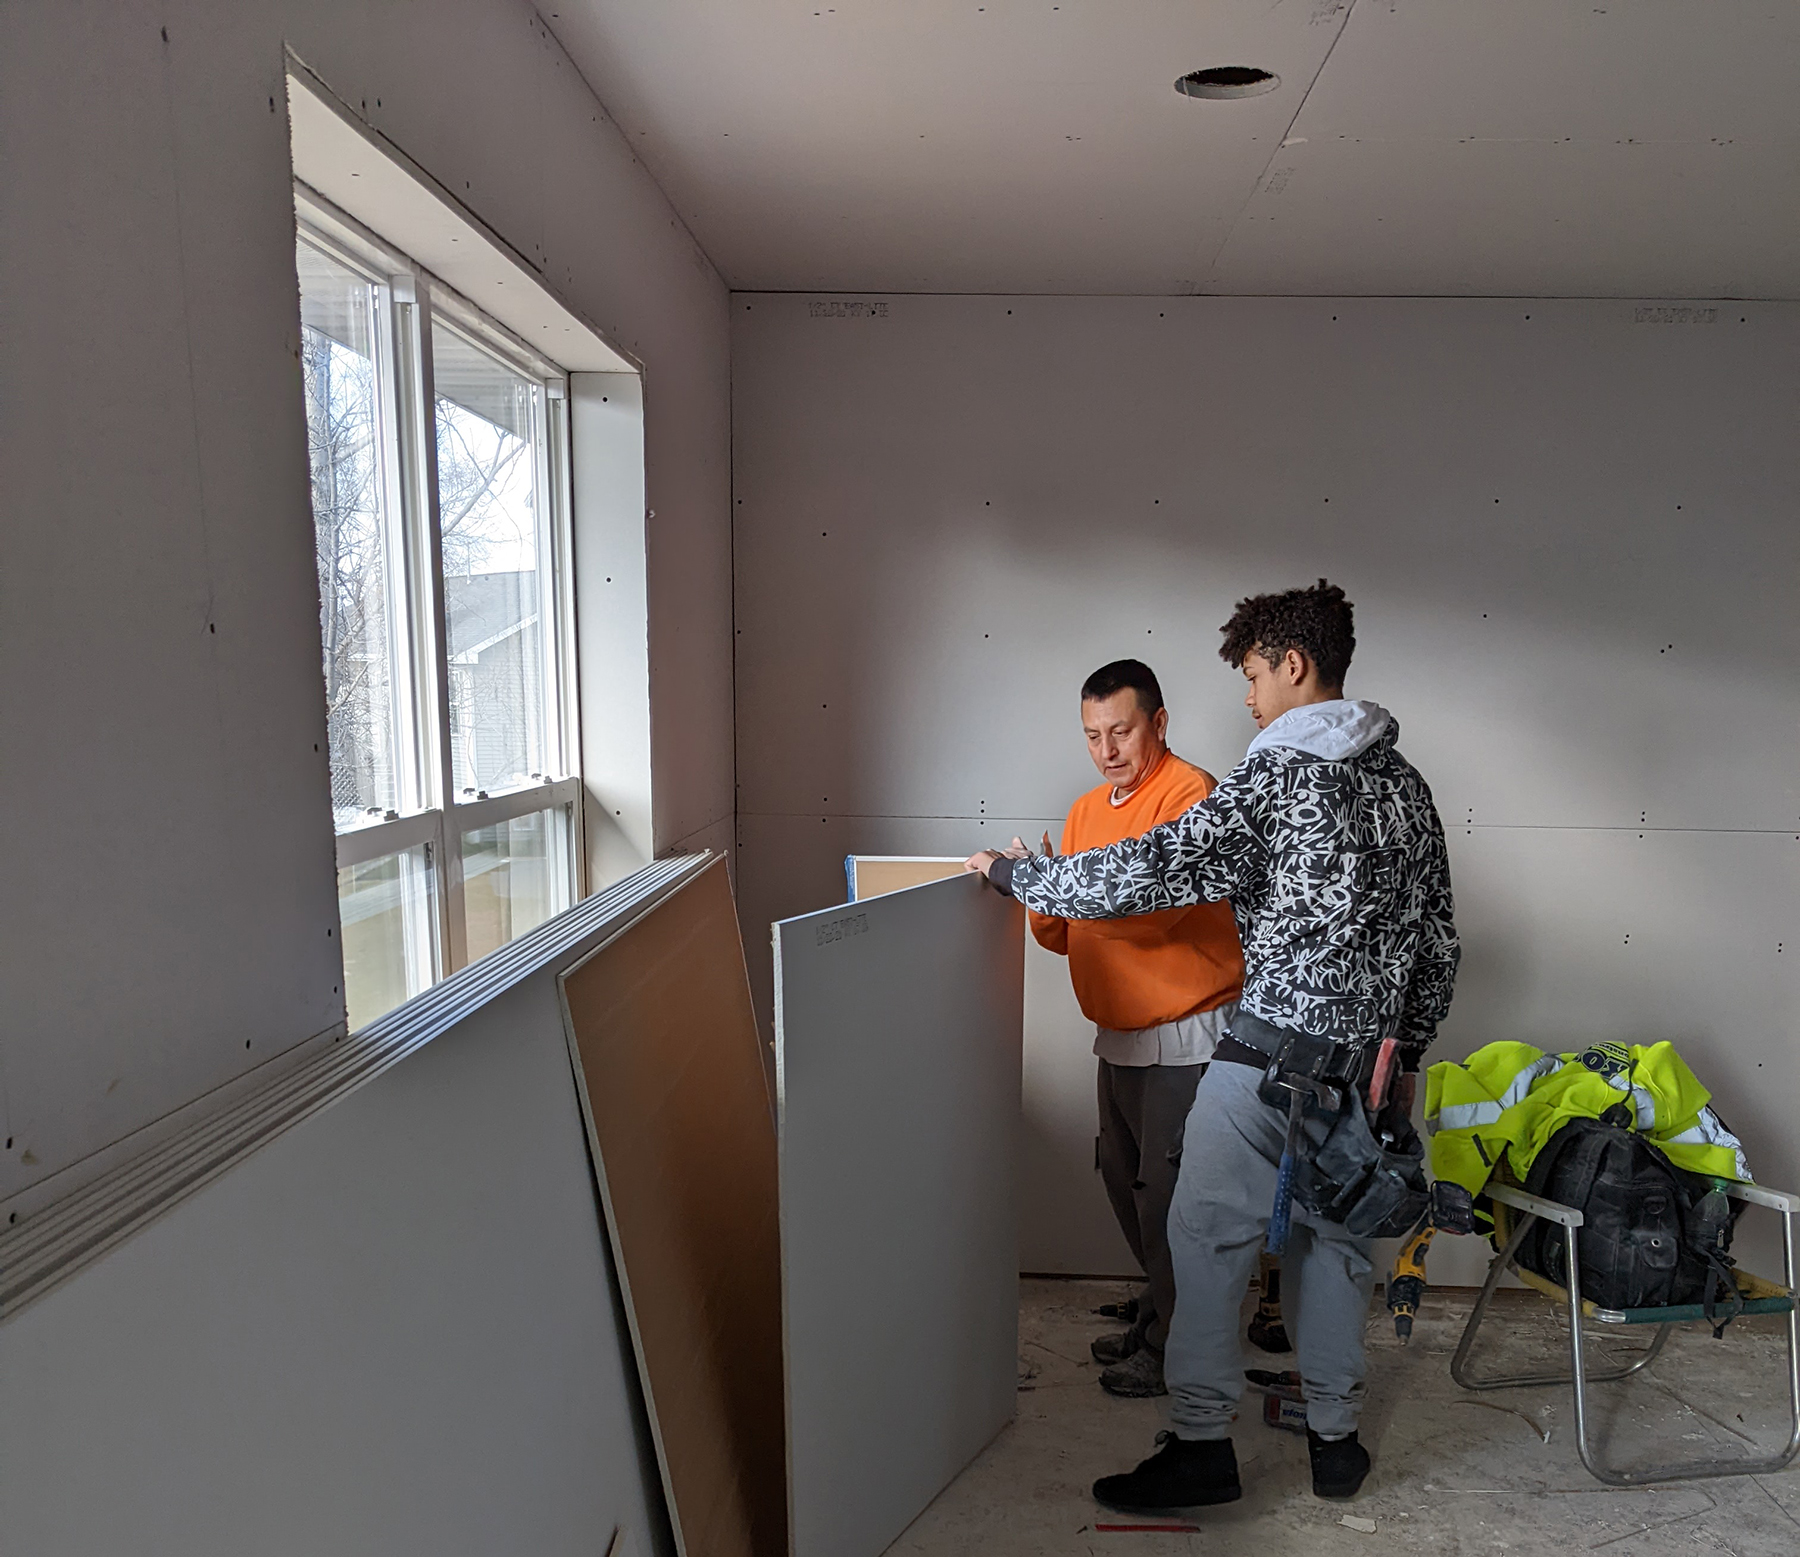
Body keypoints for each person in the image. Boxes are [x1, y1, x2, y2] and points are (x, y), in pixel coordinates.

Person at [967, 580, 1458, 1511]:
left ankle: (1201, 1447)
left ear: (1294, 665)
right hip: (1366, 1076)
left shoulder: (1276, 777)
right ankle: (1336, 1444)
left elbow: (1139, 874)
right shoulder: (1407, 785)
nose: (1248, 695)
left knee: (1203, 1242)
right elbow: (1437, 945)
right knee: (1337, 1255)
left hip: (1266, 1063)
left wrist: (1012, 876)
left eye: (1254, 672)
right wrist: (1405, 1063)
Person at [1029, 659, 1245, 1398]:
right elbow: (1064, 933)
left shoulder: (1192, 794)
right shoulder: (1087, 810)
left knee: (1171, 1199)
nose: (1106, 748)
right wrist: (1042, 889)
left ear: (1158, 722)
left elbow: (1147, 913)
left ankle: (1178, 1347)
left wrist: (1060, 888)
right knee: (1127, 1185)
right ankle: (1160, 1315)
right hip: (1118, 1032)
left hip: (1187, 1033)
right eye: (1092, 734)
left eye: (1120, 730)